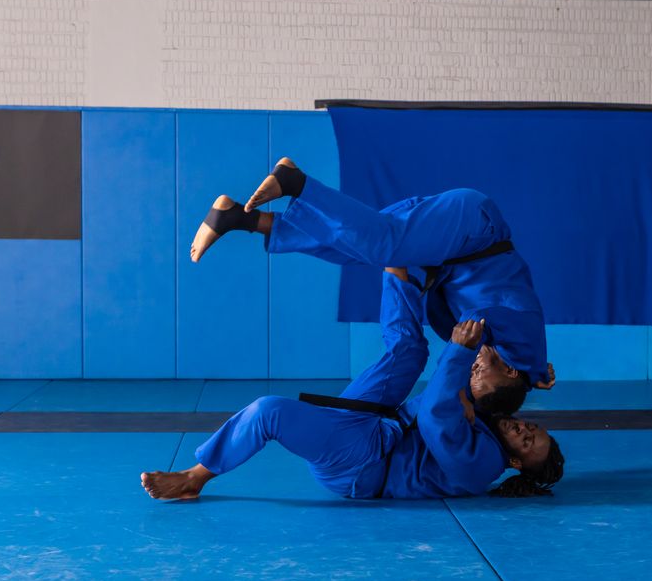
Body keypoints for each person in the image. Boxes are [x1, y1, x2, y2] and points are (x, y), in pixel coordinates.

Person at [140, 269, 564, 501]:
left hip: (362, 464)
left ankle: (197, 475)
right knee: (408, 353)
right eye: (534, 429)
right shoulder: (491, 425)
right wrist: (529, 372)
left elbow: (436, 419)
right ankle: (397, 269)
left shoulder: (482, 466)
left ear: (515, 466)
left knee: (270, 411)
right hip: (375, 425)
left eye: (527, 445)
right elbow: (479, 388)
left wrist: (456, 353)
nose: (526, 432)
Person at [189, 158, 555, 415]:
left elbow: (521, 366)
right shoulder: (519, 336)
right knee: (386, 246)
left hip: (446, 252)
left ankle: (242, 219)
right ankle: (294, 181)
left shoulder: (519, 361)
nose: (472, 367)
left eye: (472, 374)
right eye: (479, 373)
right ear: (509, 371)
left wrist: (534, 375)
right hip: (475, 230)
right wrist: (528, 368)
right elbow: (476, 325)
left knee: (356, 251)